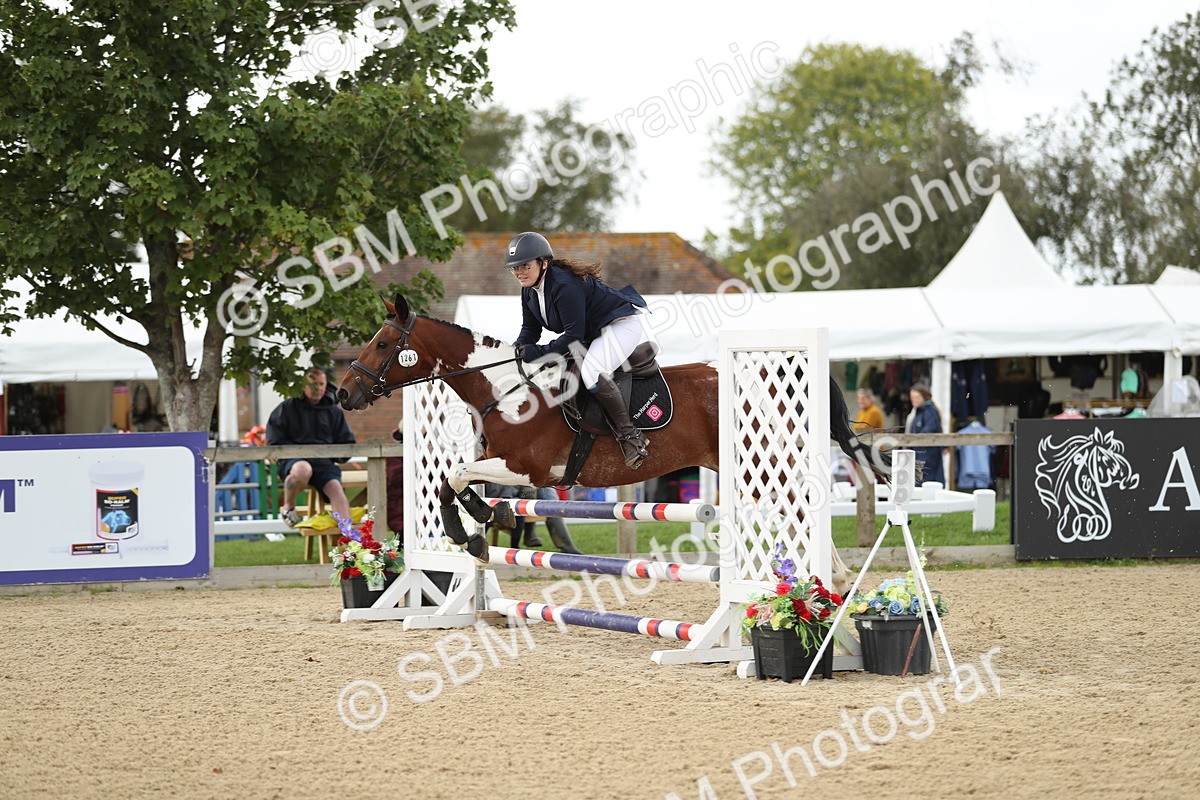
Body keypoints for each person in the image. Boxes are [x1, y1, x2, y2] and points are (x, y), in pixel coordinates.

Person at [506, 231, 652, 469]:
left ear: (544, 263)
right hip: (593, 332)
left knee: (592, 371)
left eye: (524, 266)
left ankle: (631, 436)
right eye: (514, 268)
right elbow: (530, 330)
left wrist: (535, 353)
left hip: (620, 325)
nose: (519, 272)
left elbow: (573, 338)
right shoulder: (529, 290)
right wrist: (515, 350)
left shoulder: (564, 285)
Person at [266, 367, 357, 527]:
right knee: (303, 469)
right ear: (303, 385)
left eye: (321, 384)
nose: (318, 388)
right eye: (313, 384)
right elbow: (274, 442)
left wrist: (336, 455)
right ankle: (288, 508)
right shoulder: (286, 408)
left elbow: (346, 442)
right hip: (295, 463)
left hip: (324, 464)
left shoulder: (333, 412)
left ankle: (349, 538)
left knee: (336, 490)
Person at [905, 383, 945, 485]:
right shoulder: (918, 411)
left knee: (925, 484)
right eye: (912, 397)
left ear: (924, 397)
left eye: (917, 397)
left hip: (927, 455)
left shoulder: (929, 411)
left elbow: (931, 429)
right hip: (920, 453)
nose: (914, 400)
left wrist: (913, 441)